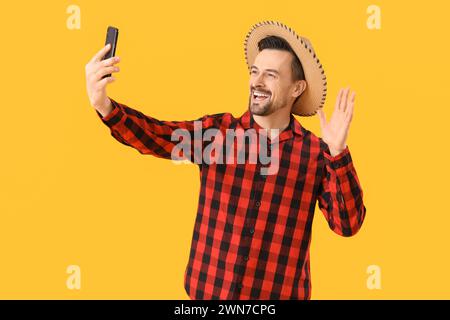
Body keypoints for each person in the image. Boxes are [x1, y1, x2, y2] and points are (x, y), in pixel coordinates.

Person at [84, 20, 366, 300]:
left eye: (271, 75)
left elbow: (347, 225)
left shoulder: (316, 153)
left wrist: (338, 152)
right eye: (255, 71)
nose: (257, 81)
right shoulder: (217, 133)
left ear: (296, 88)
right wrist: (104, 105)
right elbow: (155, 136)